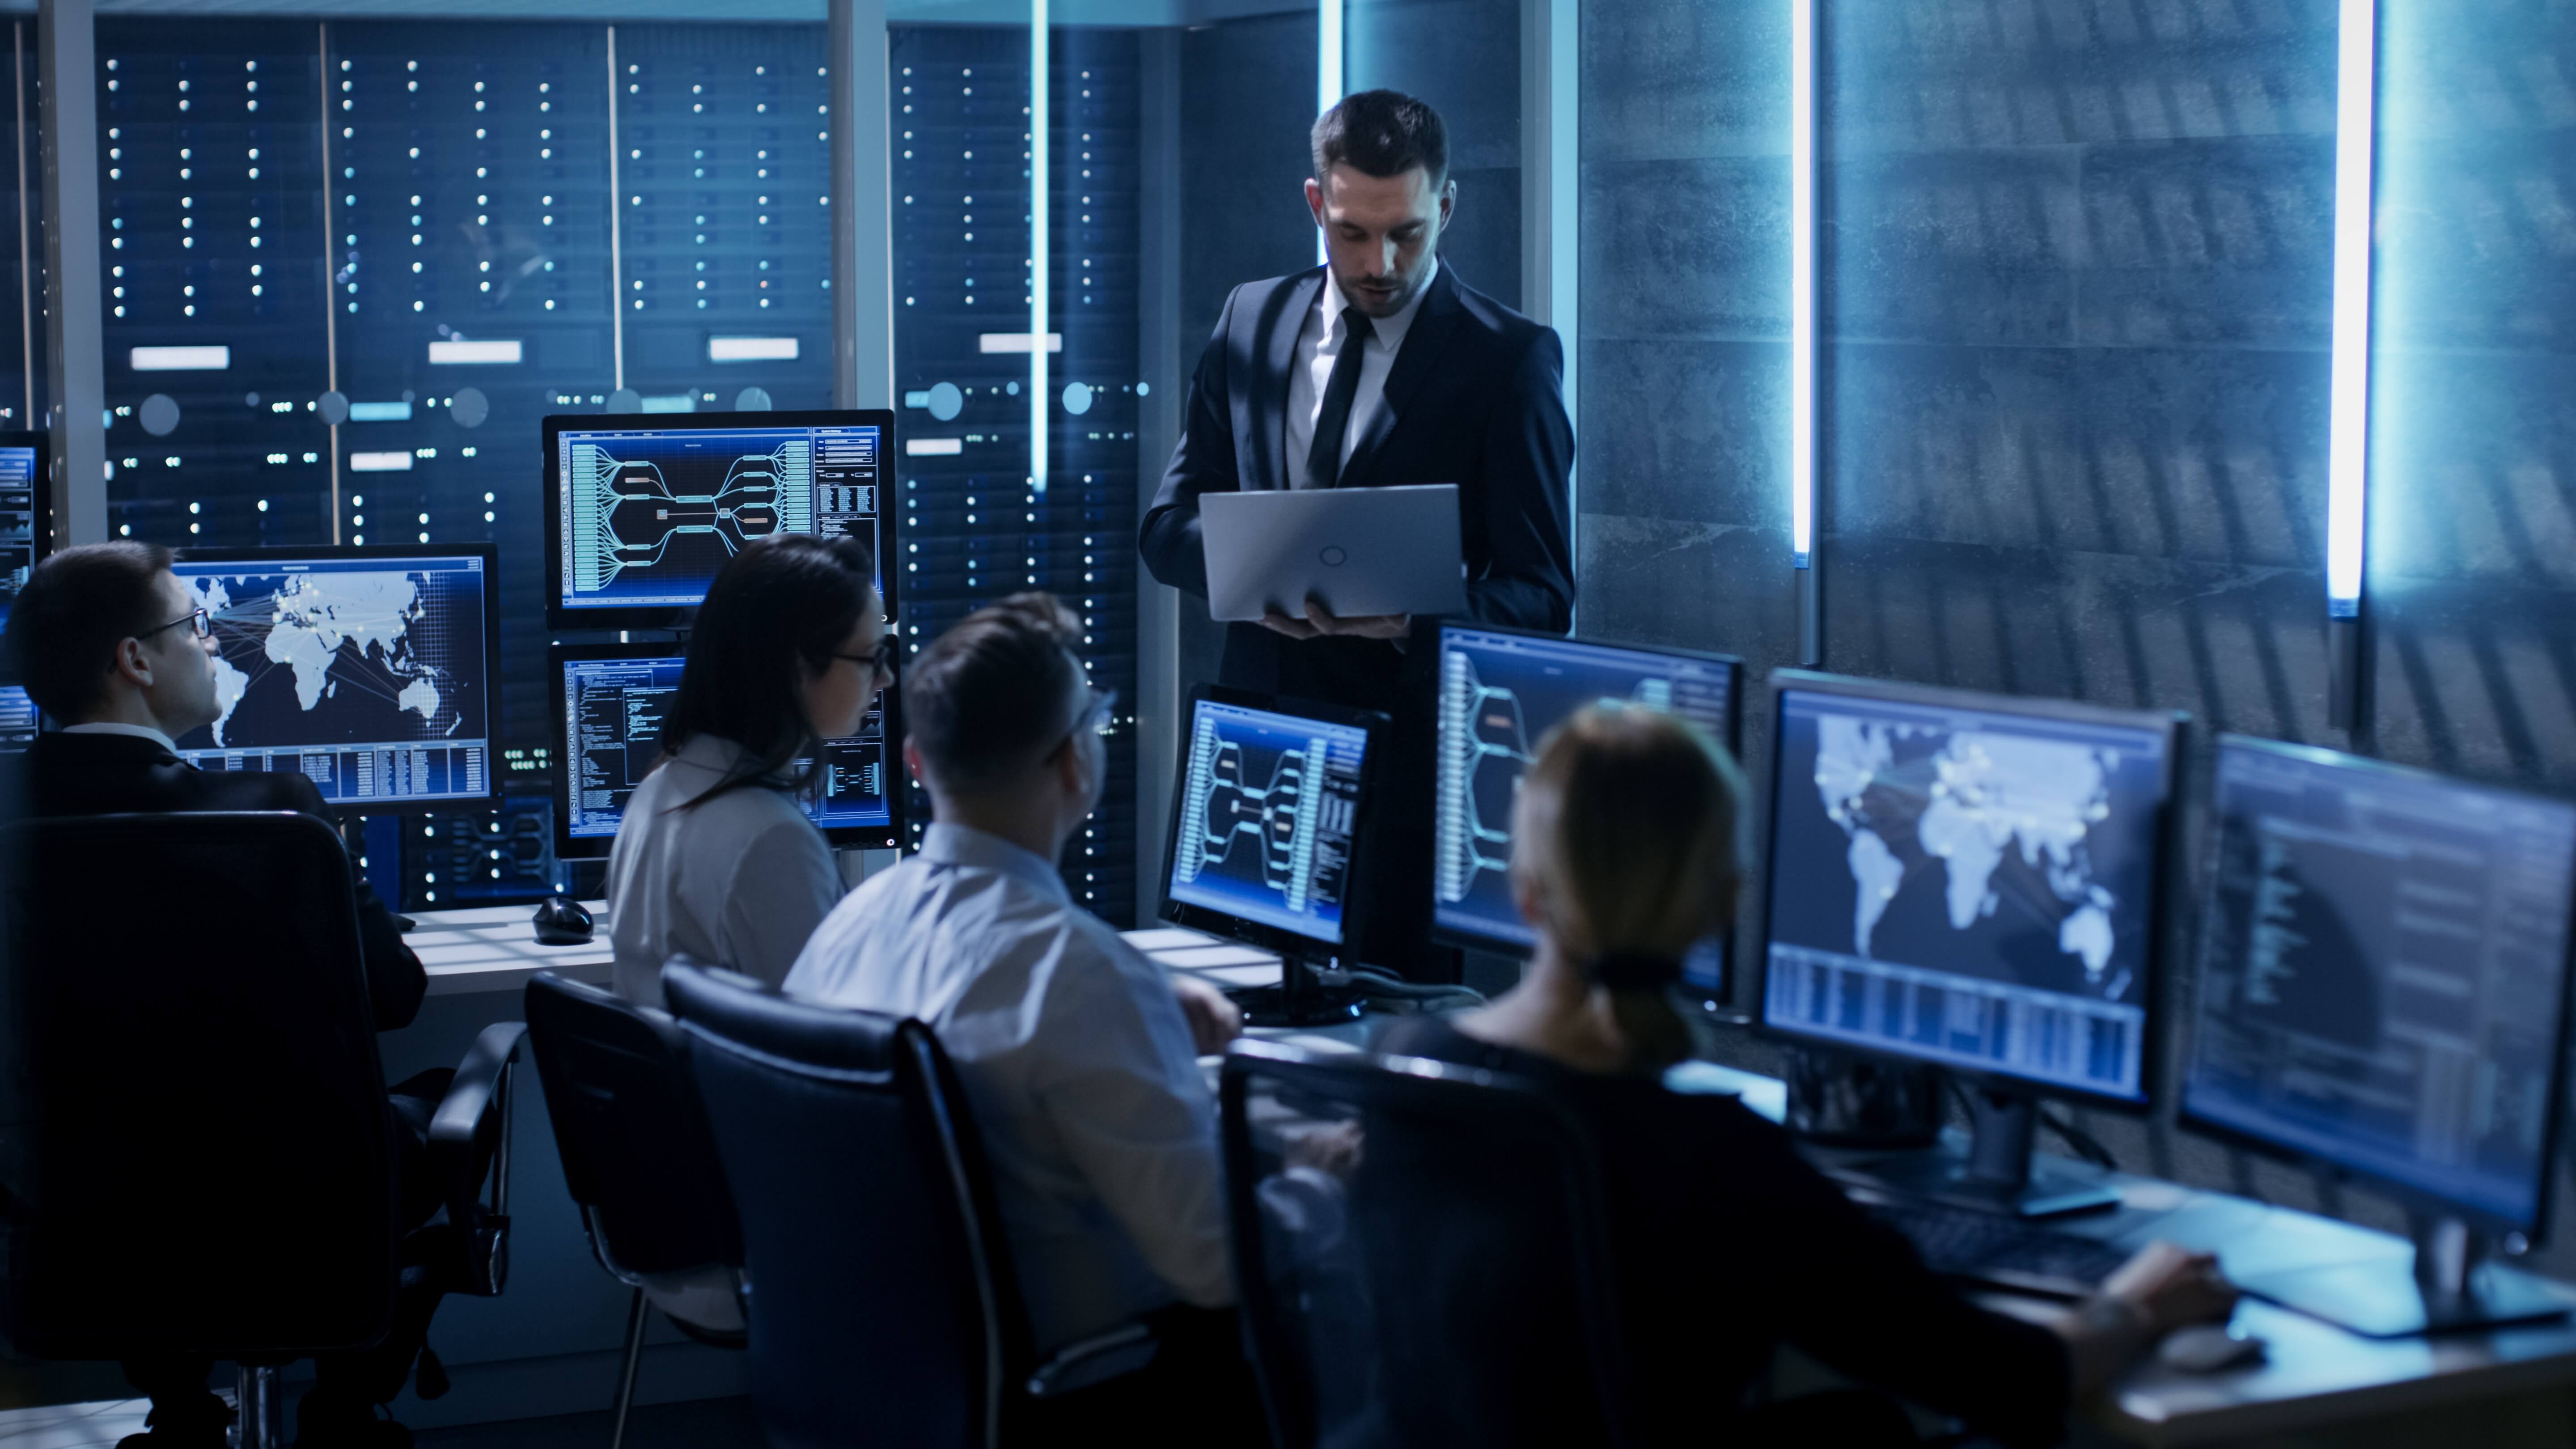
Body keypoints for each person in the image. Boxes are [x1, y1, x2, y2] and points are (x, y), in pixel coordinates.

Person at [1378, 707, 2237, 1448]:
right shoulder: (1714, 1161)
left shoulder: (1403, 1073)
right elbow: (1997, 1375)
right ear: (1725, 903)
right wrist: (2137, 1303)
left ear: (1524, 890)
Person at [784, 592, 1261, 1445]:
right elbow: (1217, 1263)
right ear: (1075, 764)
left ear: (917, 763)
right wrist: (1320, 1172)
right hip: (1090, 1384)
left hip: (886, 1377)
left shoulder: (846, 929)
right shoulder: (1077, 978)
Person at [0, 542, 441, 1448]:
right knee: (436, 1108)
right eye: (196, 628)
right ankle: (343, 1411)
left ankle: (185, 1413)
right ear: (136, 660)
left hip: (75, 1223)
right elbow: (396, 995)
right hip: (293, 1222)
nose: (214, 646)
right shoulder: (274, 818)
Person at [1139, 88, 1573, 976]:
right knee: (1229, 1021)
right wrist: (1261, 579)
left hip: (1408, 777)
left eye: (1407, 232)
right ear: (1315, 205)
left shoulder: (1509, 360)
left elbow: (1543, 596)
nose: (1380, 262)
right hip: (1253, 755)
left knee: (1386, 1052)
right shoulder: (1250, 322)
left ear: (1446, 207)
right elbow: (1164, 529)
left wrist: (1411, 620)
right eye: (1352, 233)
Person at [603, 531, 887, 1008]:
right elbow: (826, 1045)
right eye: (872, 658)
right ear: (797, 666)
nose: (887, 678)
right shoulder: (772, 839)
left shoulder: (658, 790)